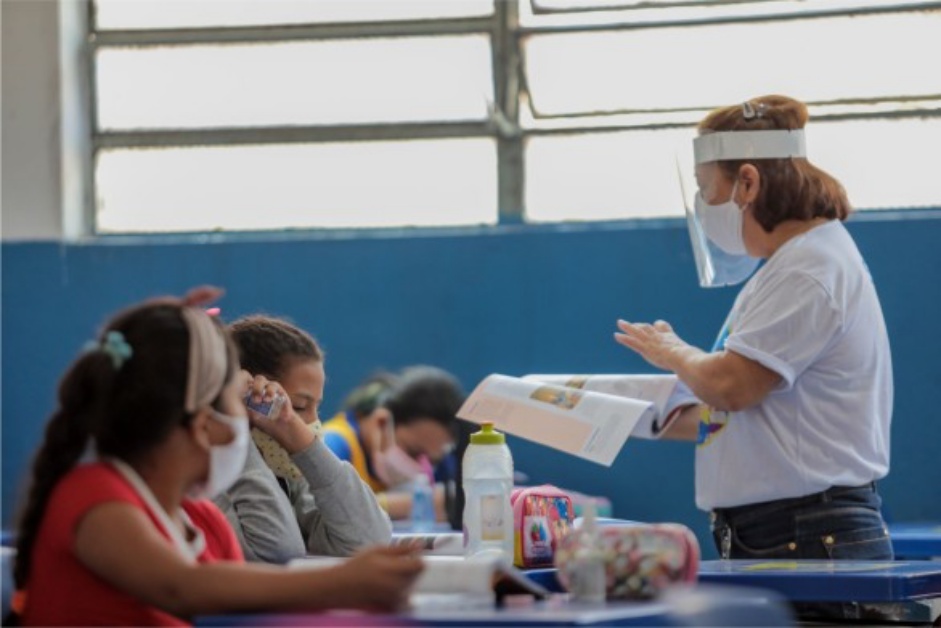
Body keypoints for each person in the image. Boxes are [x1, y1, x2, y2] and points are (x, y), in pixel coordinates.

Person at [10, 289, 422, 625]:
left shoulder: (199, 519)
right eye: (239, 405)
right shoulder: (96, 496)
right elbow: (182, 586)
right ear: (201, 416)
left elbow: (249, 585)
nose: (249, 423)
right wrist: (340, 583)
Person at [614, 96, 893, 577]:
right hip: (781, 530)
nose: (703, 207)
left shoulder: (809, 269)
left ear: (747, 182)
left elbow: (732, 387)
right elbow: (730, 411)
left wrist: (673, 352)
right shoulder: (791, 265)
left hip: (802, 530)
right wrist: (612, 415)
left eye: (707, 189)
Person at [215, 315, 391, 563]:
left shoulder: (286, 471)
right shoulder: (209, 476)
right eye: (298, 407)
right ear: (246, 397)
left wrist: (305, 446)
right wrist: (237, 426)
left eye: (316, 408)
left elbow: (369, 540)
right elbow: (275, 551)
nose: (306, 424)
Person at [323, 366, 465, 523]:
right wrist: (408, 505)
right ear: (382, 422)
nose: (420, 468)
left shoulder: (436, 453)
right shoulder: (334, 445)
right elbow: (320, 508)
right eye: (413, 452)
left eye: (432, 461)